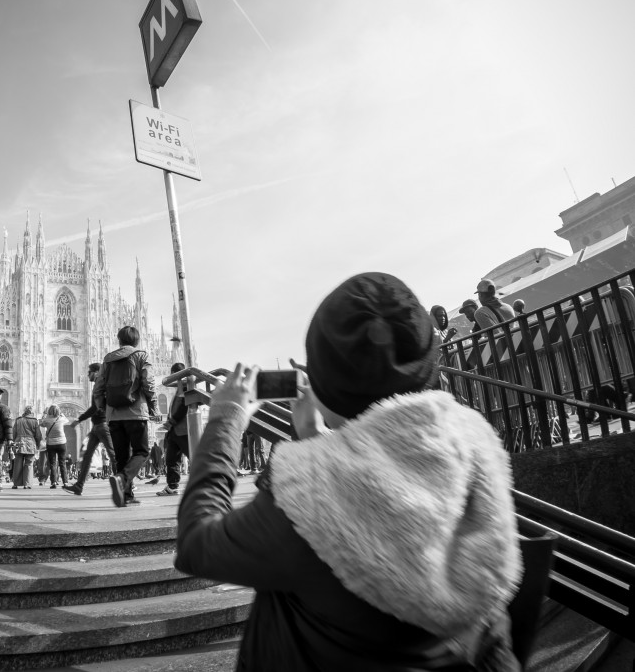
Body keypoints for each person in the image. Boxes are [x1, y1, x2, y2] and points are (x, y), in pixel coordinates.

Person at [175, 272, 522, 671]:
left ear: (323, 378)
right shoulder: (475, 452)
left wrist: (227, 416)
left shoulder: (307, 498)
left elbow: (197, 543)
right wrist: (313, 439)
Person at [93, 325, 159, 507]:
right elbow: (149, 384)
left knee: (122, 457)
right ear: (136, 341)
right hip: (136, 413)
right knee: (142, 451)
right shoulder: (141, 356)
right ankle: (122, 479)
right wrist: (153, 407)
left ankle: (126, 496)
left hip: (114, 416)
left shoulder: (108, 359)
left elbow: (98, 388)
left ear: (119, 340)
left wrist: (104, 409)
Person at [63, 363, 115, 496]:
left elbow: (95, 407)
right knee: (87, 456)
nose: (87, 375)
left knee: (112, 454)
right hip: (97, 426)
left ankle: (126, 483)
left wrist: (79, 419)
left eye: (90, 372)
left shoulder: (100, 384)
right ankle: (79, 486)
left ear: (97, 372)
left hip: (102, 425)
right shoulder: (99, 384)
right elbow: (95, 406)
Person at [157, 362, 189, 496]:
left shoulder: (186, 387)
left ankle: (211, 480)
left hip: (183, 430)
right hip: (175, 431)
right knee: (171, 459)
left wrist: (171, 421)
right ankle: (172, 486)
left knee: (194, 456)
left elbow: (183, 407)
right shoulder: (180, 388)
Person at [11, 405, 42, 489]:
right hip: (30, 443)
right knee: (29, 463)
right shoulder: (34, 421)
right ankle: (27, 484)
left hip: (19, 442)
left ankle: (16, 483)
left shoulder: (18, 420)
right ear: (32, 412)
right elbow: (38, 435)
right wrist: (38, 444)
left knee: (18, 463)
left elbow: (13, 433)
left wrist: (14, 442)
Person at [40, 405, 68, 488]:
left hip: (51, 443)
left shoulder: (47, 420)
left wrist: (47, 416)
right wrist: (61, 414)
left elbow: (41, 424)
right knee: (62, 463)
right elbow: (67, 420)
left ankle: (54, 482)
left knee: (52, 463)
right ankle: (65, 482)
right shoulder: (61, 419)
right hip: (62, 443)